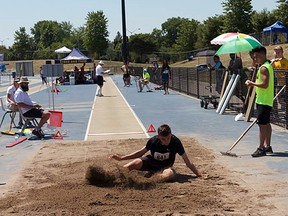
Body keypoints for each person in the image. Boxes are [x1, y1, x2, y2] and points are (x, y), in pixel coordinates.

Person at [110, 124, 201, 182]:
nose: (166, 141)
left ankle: (148, 181)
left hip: (165, 167)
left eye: (168, 138)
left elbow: (188, 163)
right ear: (158, 137)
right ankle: (111, 176)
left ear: (171, 134)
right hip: (151, 163)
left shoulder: (176, 142)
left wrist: (198, 175)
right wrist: (121, 158)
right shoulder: (153, 141)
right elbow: (139, 153)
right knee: (135, 163)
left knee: (170, 174)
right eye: (163, 139)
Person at [245, 46, 274, 157]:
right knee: (266, 123)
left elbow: (265, 84)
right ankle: (268, 146)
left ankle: (261, 148)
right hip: (266, 99)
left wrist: (252, 83)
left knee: (262, 125)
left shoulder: (263, 68)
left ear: (262, 54)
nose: (254, 58)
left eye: (256, 56)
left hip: (263, 100)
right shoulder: (267, 65)